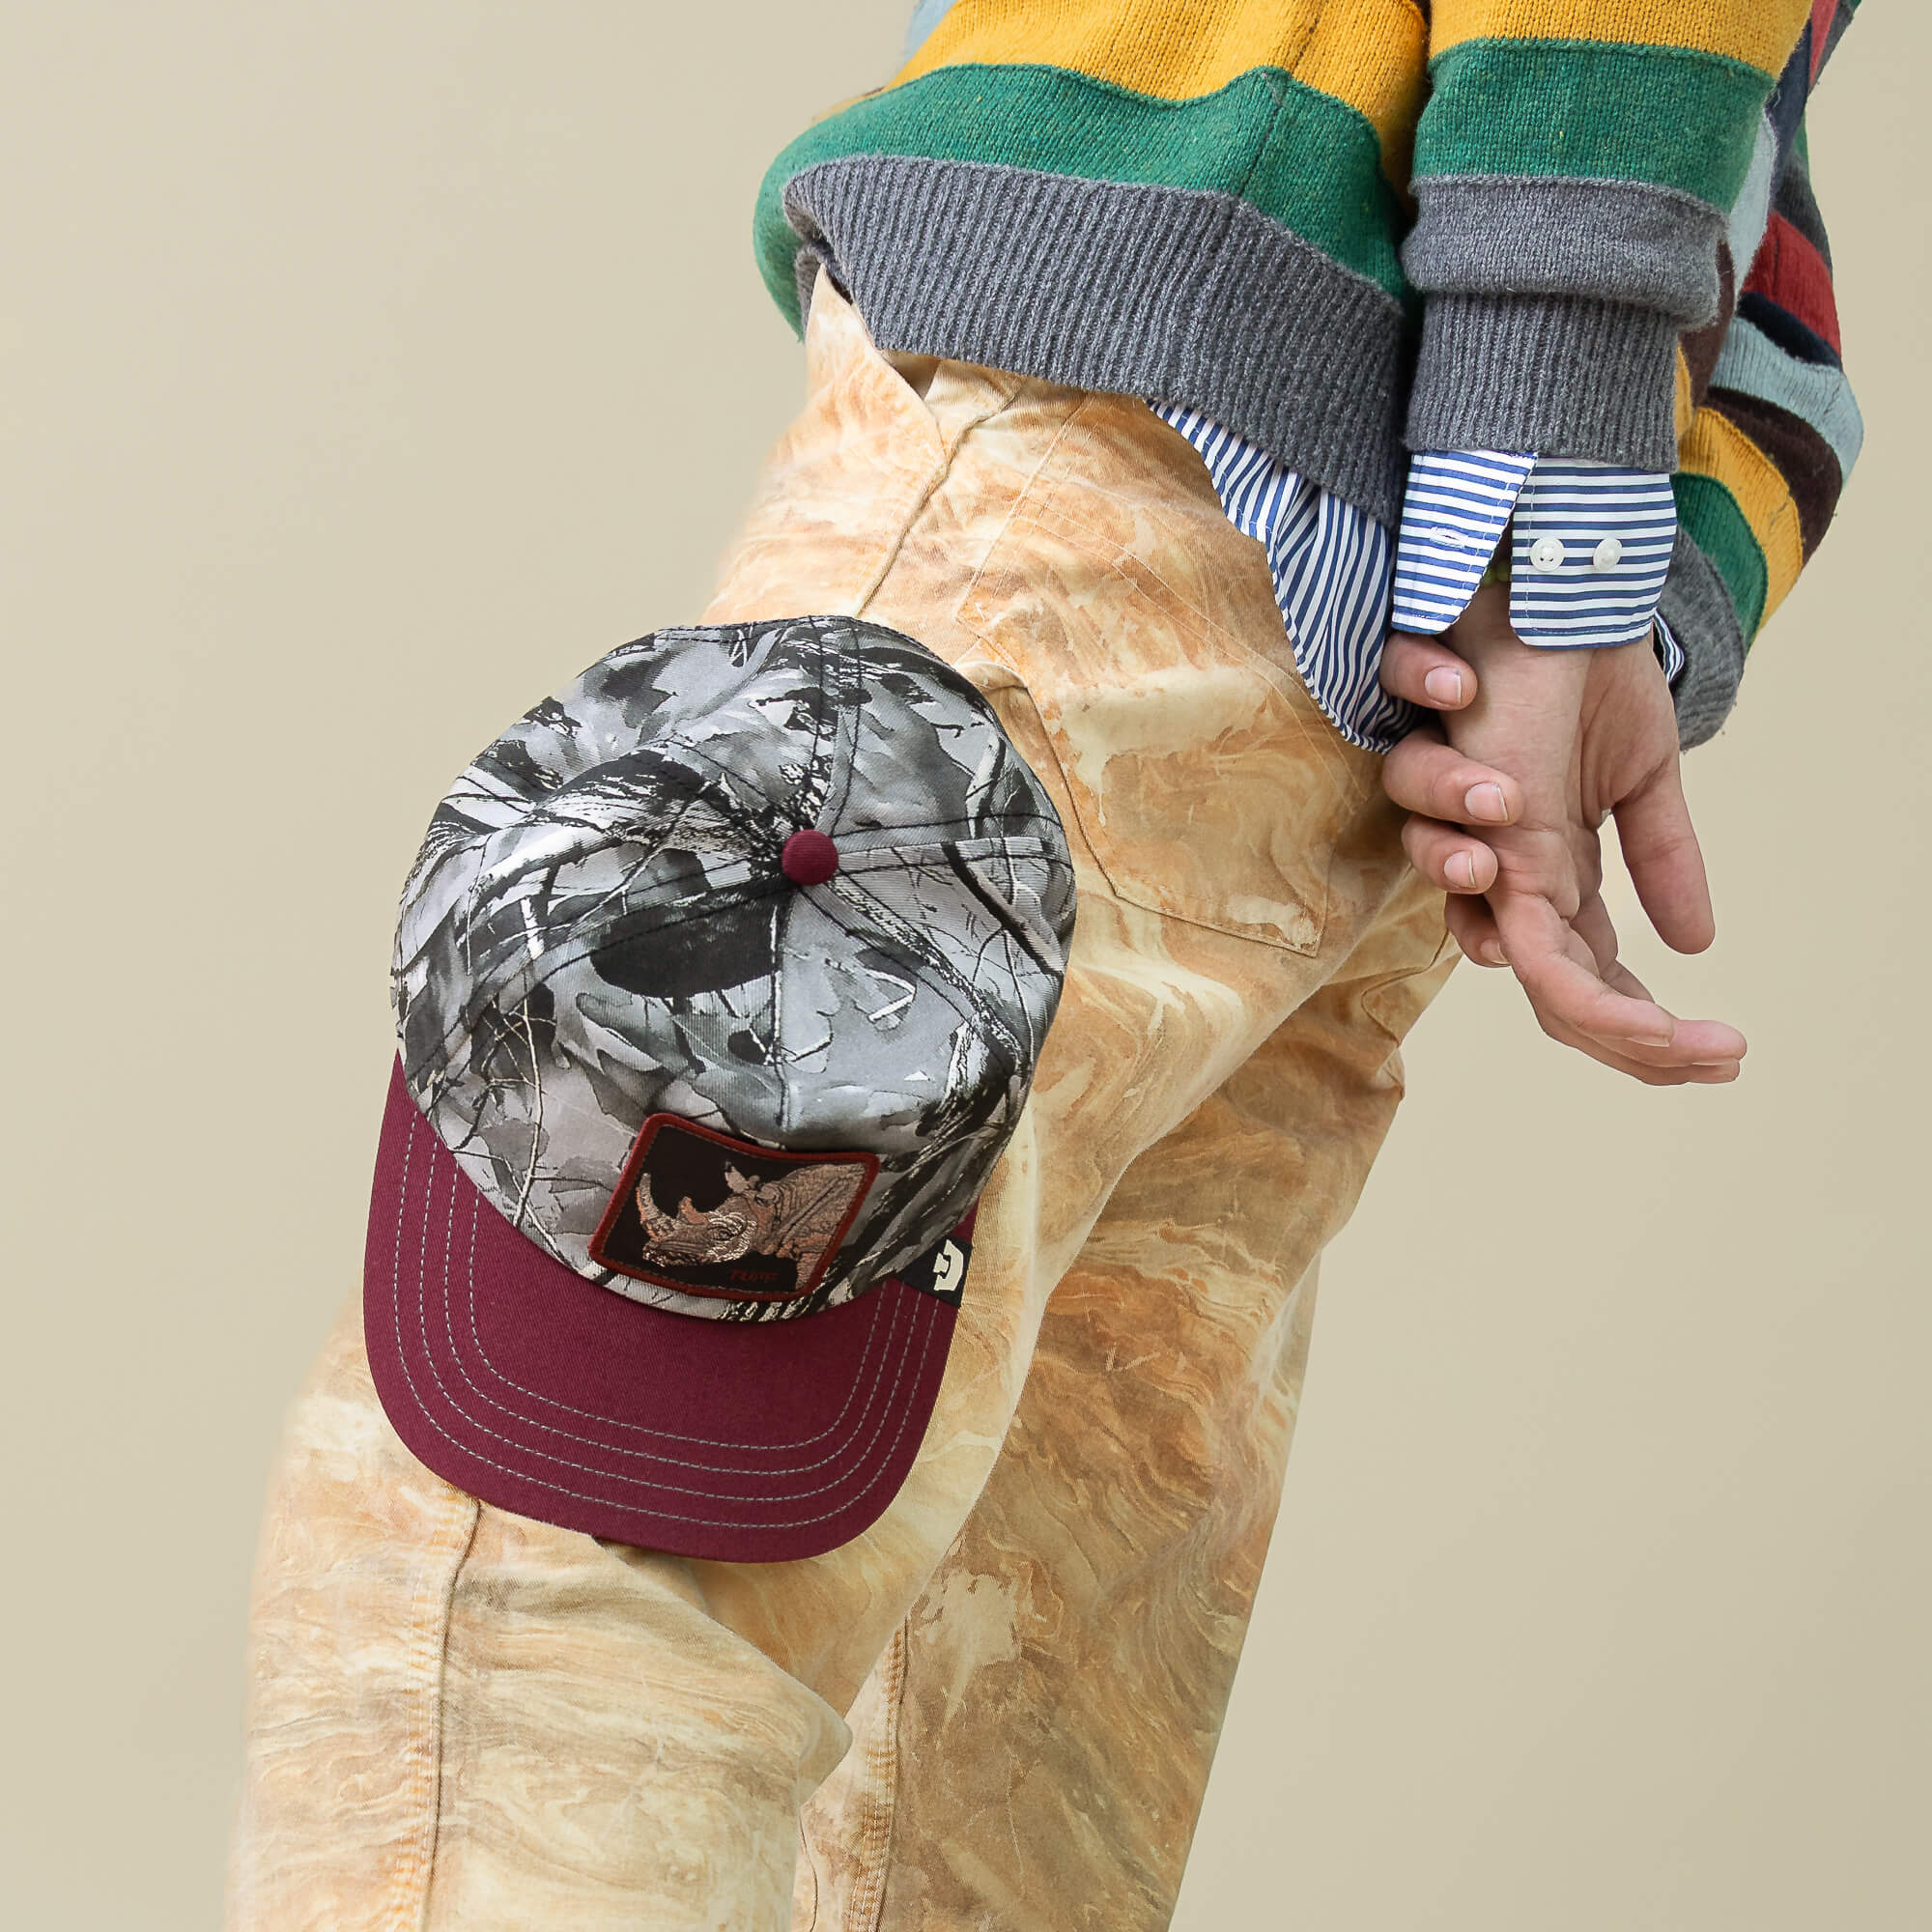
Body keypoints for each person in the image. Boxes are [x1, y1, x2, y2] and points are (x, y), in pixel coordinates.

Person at [225, 5, 1863, 1926]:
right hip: (1332, 643)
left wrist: (1551, 480)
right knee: (986, 1759)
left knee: (534, 1613)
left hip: (1147, 375)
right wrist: (1582, 533)